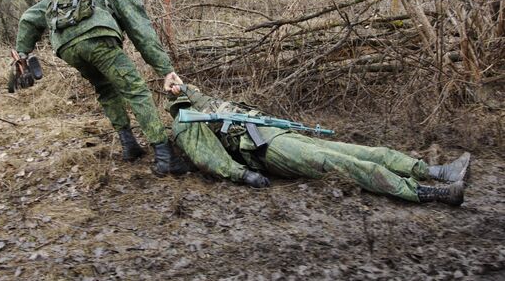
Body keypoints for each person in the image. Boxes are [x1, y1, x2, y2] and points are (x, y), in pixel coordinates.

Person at [14, 0, 189, 175]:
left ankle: (129, 146)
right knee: (135, 90)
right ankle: (165, 156)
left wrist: (22, 54)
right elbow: (142, 33)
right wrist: (165, 70)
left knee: (105, 89)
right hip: (98, 40)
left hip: (65, 47)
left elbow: (28, 19)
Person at [167, 85, 470, 206]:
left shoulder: (200, 100)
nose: (175, 80)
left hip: (278, 134)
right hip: (268, 151)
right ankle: (429, 193)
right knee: (348, 165)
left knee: (362, 151)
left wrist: (185, 85)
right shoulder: (184, 120)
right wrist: (242, 175)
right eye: (169, 81)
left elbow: (209, 101)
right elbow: (207, 157)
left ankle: (435, 170)